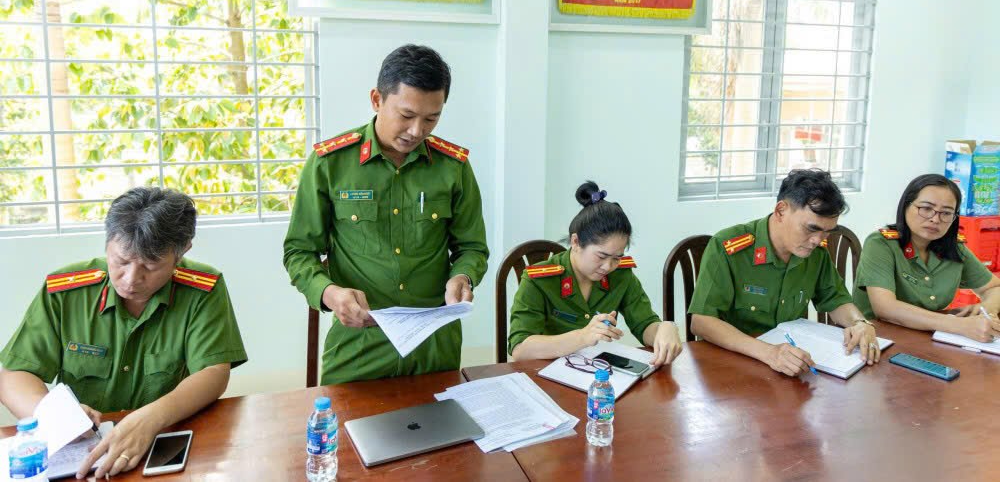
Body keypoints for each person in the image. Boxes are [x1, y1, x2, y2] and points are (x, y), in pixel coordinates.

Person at [0, 187, 246, 478]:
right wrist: (57, 416)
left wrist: (152, 418)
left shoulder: (203, 290)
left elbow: (213, 373)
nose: (131, 279)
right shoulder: (65, 293)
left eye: (151, 266)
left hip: (164, 446)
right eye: (122, 261)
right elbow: (14, 375)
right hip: (85, 456)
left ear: (182, 253)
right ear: (107, 244)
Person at [283, 44, 489, 384]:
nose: (416, 131)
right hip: (359, 345)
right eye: (406, 116)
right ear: (377, 100)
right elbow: (299, 252)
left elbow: (472, 248)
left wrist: (463, 277)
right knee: (345, 435)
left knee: (445, 435)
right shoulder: (330, 164)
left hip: (434, 345)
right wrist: (330, 293)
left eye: (431, 118)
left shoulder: (454, 168)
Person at [688, 169, 880, 376]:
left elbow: (835, 299)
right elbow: (701, 322)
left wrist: (859, 322)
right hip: (733, 367)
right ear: (781, 211)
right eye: (811, 228)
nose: (818, 240)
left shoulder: (815, 254)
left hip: (790, 367)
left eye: (826, 232)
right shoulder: (729, 247)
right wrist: (769, 353)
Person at [508, 181, 683, 368]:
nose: (608, 266)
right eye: (602, 255)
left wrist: (664, 328)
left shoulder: (621, 276)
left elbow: (644, 325)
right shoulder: (539, 280)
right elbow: (520, 349)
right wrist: (583, 336)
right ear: (575, 242)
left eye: (617, 257)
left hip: (594, 371)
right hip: (545, 373)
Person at [853, 173, 1000, 341]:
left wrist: (985, 308)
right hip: (877, 338)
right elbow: (886, 308)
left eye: (946, 213)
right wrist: (960, 326)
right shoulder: (881, 244)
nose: (935, 219)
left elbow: (994, 288)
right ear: (906, 206)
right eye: (926, 208)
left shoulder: (954, 248)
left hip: (930, 337)